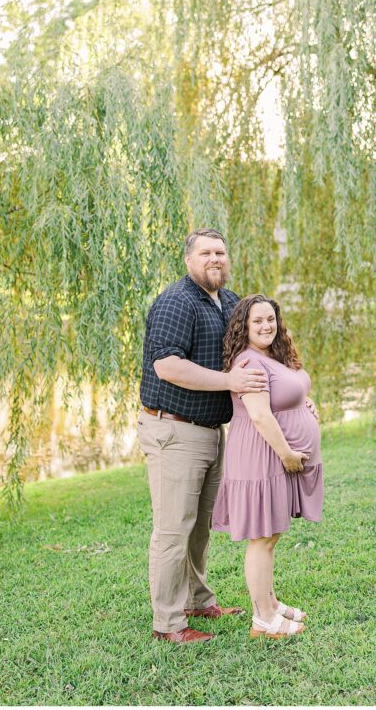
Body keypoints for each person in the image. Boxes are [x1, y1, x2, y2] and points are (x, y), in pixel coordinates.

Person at [138, 229, 269, 644]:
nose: (216, 259)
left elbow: (262, 344)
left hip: (212, 431)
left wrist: (298, 396)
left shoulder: (228, 302)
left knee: (200, 527)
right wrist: (229, 379)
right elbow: (168, 367)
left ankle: (197, 599)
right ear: (189, 259)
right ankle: (169, 624)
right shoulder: (177, 302)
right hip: (174, 429)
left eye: (221, 252)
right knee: (174, 528)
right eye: (206, 252)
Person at [212, 293, 324, 639]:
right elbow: (260, 415)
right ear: (244, 326)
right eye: (257, 320)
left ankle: (271, 605)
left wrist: (303, 401)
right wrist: (288, 455)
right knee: (261, 538)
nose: (266, 326)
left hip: (271, 455)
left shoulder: (269, 356)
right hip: (262, 455)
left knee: (271, 535)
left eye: (271, 319)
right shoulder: (249, 363)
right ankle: (263, 620)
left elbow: (282, 394)